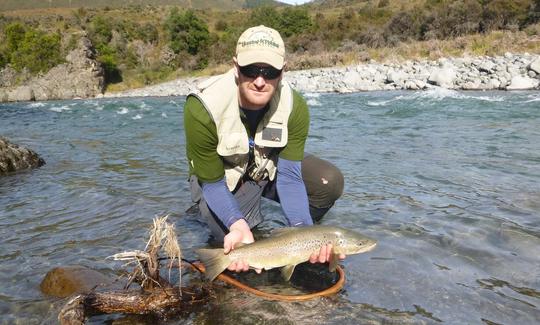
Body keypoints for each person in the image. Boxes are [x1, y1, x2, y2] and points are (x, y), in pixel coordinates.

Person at [184, 25, 344, 274]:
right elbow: (212, 182)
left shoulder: (295, 106)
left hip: (265, 169)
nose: (260, 81)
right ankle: (213, 214)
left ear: (283, 72)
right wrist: (236, 224)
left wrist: (304, 233)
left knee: (328, 182)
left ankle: (284, 242)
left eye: (270, 72)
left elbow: (290, 177)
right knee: (232, 241)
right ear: (236, 67)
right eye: (250, 70)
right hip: (219, 180)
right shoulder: (202, 106)